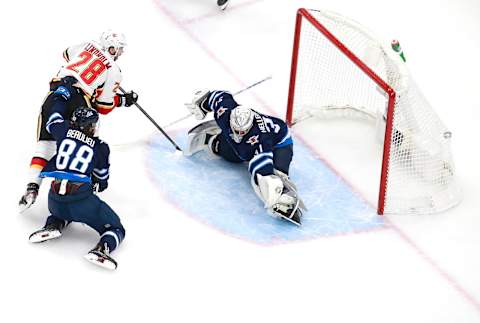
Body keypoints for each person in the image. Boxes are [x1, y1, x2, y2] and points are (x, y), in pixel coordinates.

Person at [19, 30, 138, 212]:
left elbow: (66, 54)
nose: (121, 53)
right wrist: (123, 100)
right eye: (119, 49)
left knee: (45, 145)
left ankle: (32, 188)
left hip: (57, 93)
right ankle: (83, 189)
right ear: (112, 49)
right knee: (84, 145)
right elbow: (103, 106)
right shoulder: (114, 70)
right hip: (79, 102)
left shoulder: (87, 45)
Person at [28, 94, 125, 270]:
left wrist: (60, 98)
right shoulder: (100, 146)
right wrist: (97, 183)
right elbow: (102, 179)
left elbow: (52, 119)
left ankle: (53, 224)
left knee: (61, 212)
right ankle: (102, 249)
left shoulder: (64, 129)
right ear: (89, 126)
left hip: (54, 201)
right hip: (82, 202)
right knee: (116, 228)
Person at [185, 90, 306, 225]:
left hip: (279, 141)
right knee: (231, 154)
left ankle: (282, 194)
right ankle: (215, 141)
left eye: (243, 131)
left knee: (278, 174)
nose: (239, 134)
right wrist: (202, 103)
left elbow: (260, 172)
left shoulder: (260, 139)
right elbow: (219, 96)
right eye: (236, 130)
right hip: (247, 141)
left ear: (249, 126)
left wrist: (274, 193)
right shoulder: (225, 112)